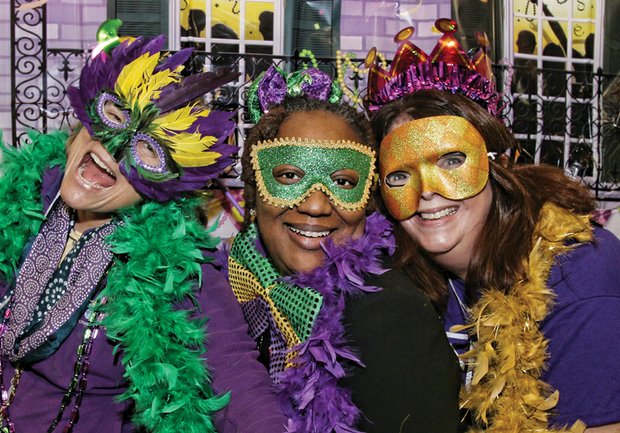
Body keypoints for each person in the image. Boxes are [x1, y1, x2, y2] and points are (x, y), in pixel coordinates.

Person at [0, 35, 285, 433]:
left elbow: (238, 382)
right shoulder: (24, 194)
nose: (113, 148)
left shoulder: (178, 268)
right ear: (85, 116)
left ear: (164, 185)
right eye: (116, 114)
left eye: (148, 151)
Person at [367, 24, 620, 432]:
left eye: (451, 160)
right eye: (400, 176)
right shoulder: (415, 279)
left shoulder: (577, 276)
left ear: (498, 162)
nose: (427, 193)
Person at [221, 64, 461, 432]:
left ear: (367, 199)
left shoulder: (390, 315)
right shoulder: (220, 287)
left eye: (342, 181)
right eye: (289, 176)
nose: (316, 205)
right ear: (253, 190)